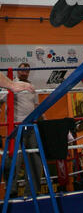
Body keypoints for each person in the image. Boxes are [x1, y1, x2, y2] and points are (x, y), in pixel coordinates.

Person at [1, 63, 43, 197]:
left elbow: (36, 107)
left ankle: (32, 191)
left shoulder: (32, 87)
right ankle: (11, 190)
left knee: (35, 157)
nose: (24, 72)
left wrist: (45, 121)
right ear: (18, 71)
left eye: (26, 69)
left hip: (31, 126)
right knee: (14, 157)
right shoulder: (10, 84)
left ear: (29, 72)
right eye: (22, 69)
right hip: (15, 127)